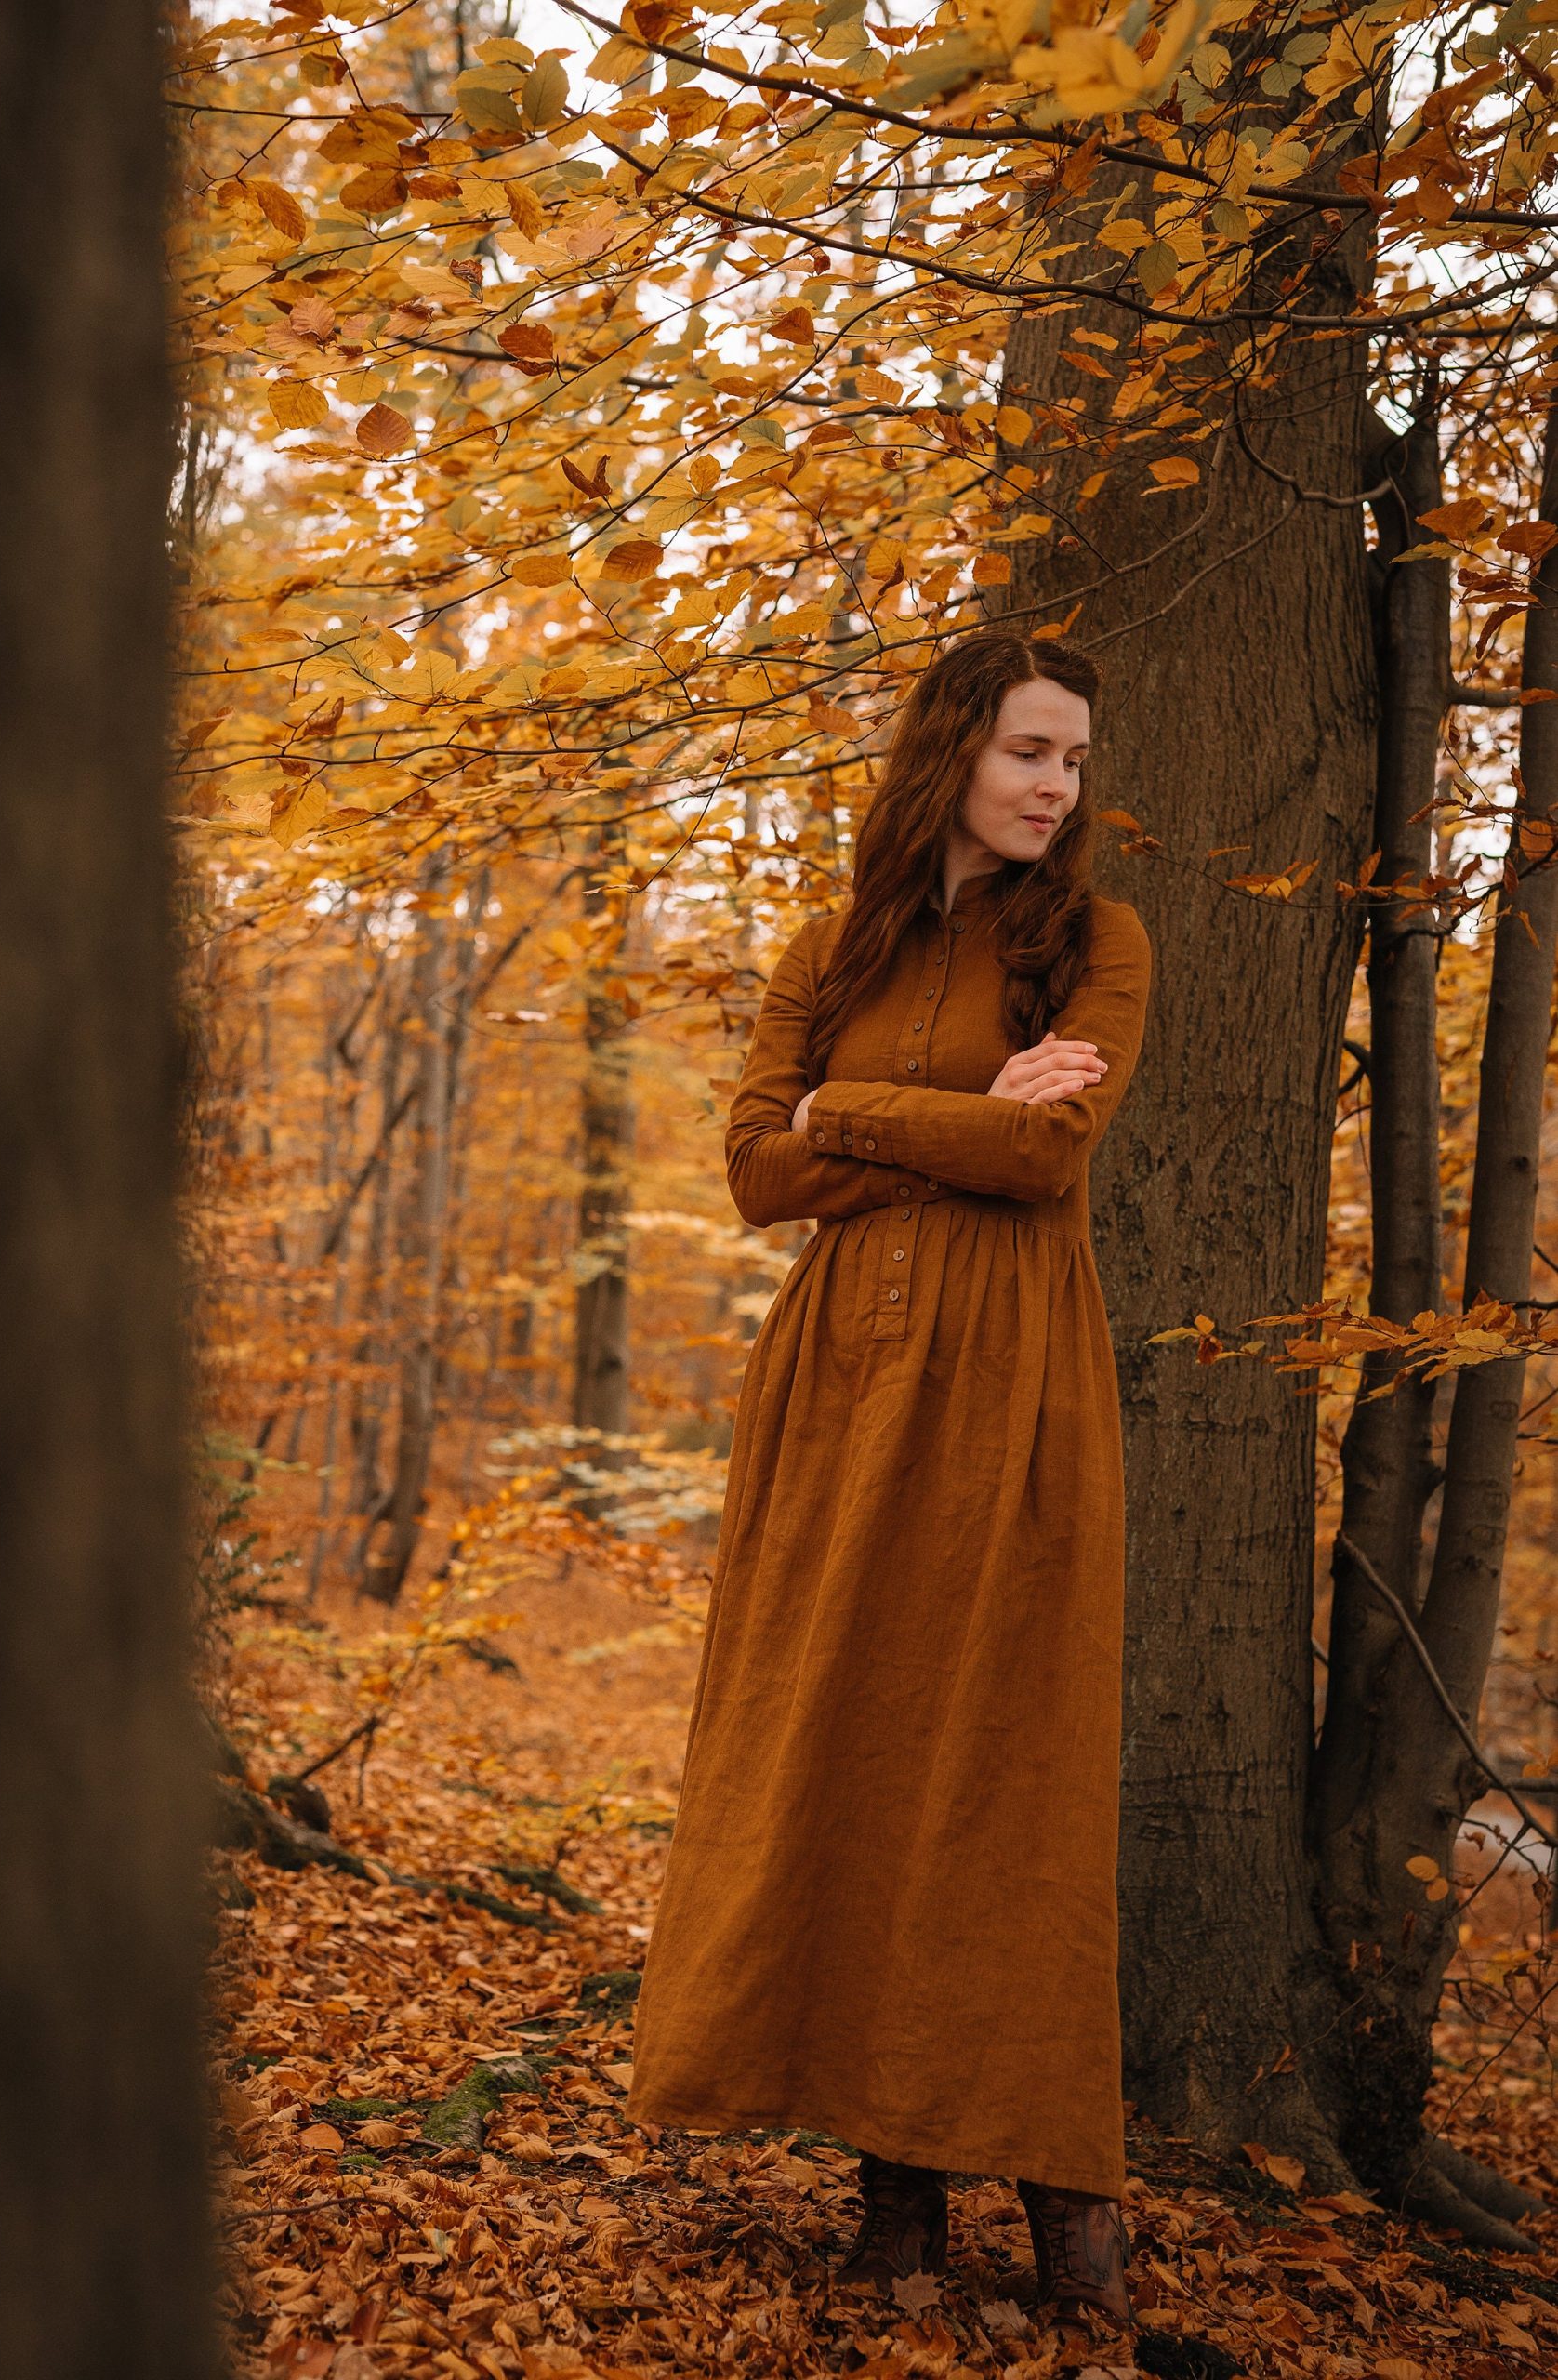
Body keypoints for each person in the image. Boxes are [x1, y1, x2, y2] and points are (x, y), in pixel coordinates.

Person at [625, 626, 1154, 2325]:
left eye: (1073, 760)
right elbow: (751, 1178)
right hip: (840, 1386)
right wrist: (914, 1112)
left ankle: (1075, 2215)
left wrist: (851, 1116)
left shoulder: (1099, 943)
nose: (1056, 787)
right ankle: (893, 2200)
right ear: (952, 754)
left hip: (1012, 1384)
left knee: (1007, 1761)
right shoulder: (828, 944)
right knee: (847, 1741)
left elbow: (1043, 1148)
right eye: (1029, 753)